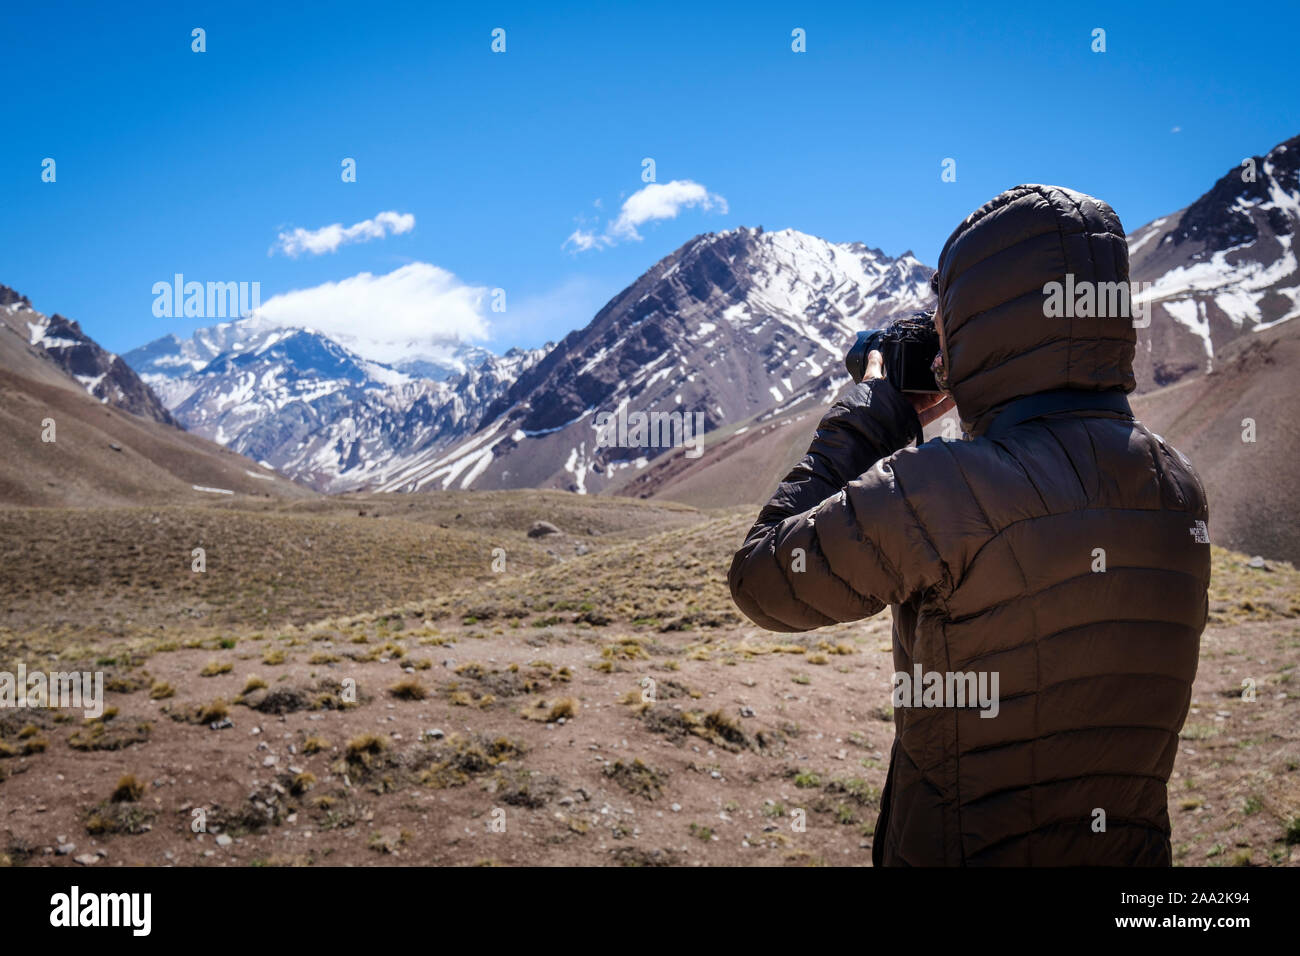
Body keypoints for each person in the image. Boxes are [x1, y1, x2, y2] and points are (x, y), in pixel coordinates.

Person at [728, 185, 1210, 866]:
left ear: (978, 324)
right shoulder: (1174, 485)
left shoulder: (945, 489)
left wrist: (871, 413)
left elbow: (762, 580)